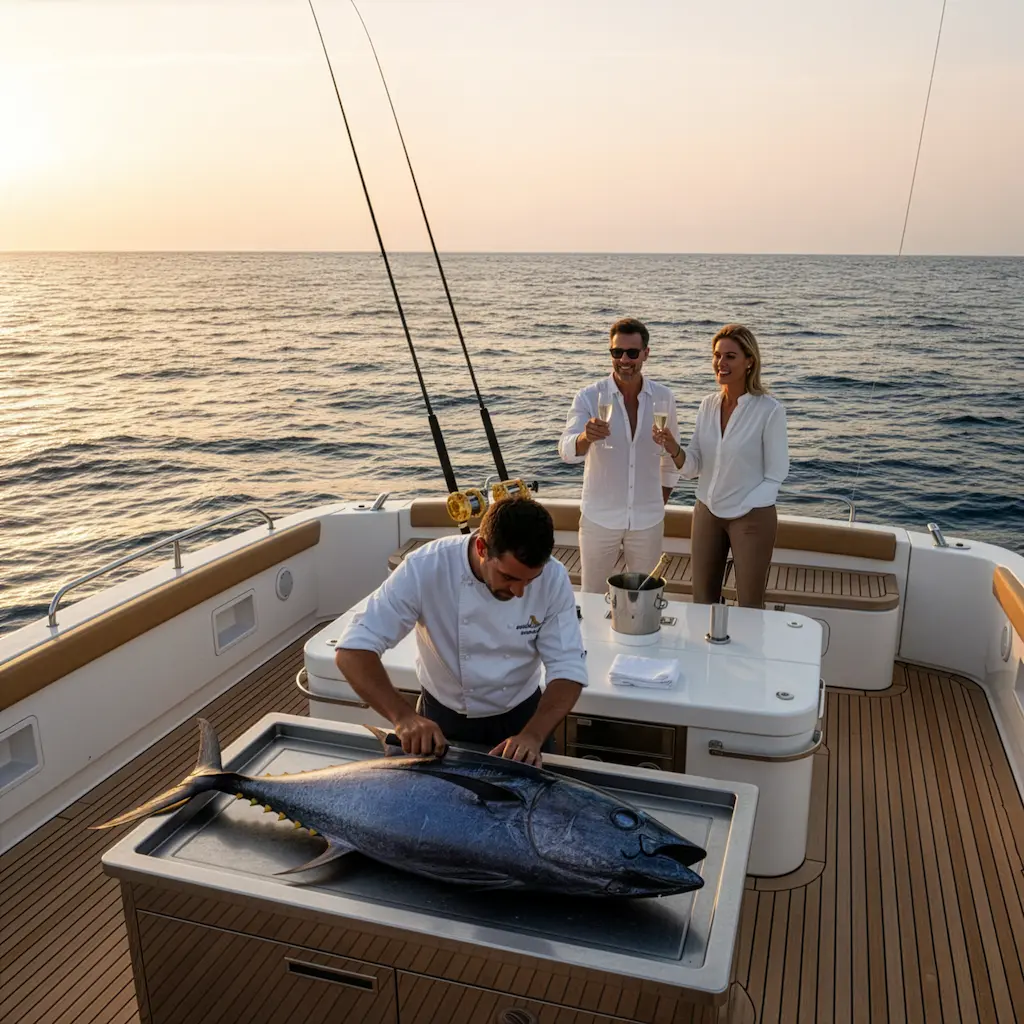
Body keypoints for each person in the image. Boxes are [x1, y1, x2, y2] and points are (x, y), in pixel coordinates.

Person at [334, 496, 588, 766]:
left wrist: (533, 735)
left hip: (524, 719)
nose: (519, 592)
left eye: (530, 581)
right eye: (508, 577)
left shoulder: (553, 577)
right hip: (442, 721)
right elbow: (353, 649)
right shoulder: (426, 567)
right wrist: (403, 717)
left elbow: (567, 667)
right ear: (481, 548)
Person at [653, 323, 789, 608]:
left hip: (751, 516)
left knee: (750, 604)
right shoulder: (708, 405)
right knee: (702, 601)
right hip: (707, 511)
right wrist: (673, 447)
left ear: (749, 361)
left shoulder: (769, 410)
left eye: (730, 356)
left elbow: (776, 475)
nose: (720, 363)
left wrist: (745, 504)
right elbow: (693, 466)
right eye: (717, 355)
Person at [558, 317, 681, 593]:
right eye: (617, 352)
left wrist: (658, 501)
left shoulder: (664, 398)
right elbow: (566, 449)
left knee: (646, 597)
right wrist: (585, 438)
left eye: (632, 353)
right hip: (599, 518)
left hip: (647, 521)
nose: (624, 359)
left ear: (646, 354)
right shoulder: (589, 397)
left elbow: (671, 457)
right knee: (592, 596)